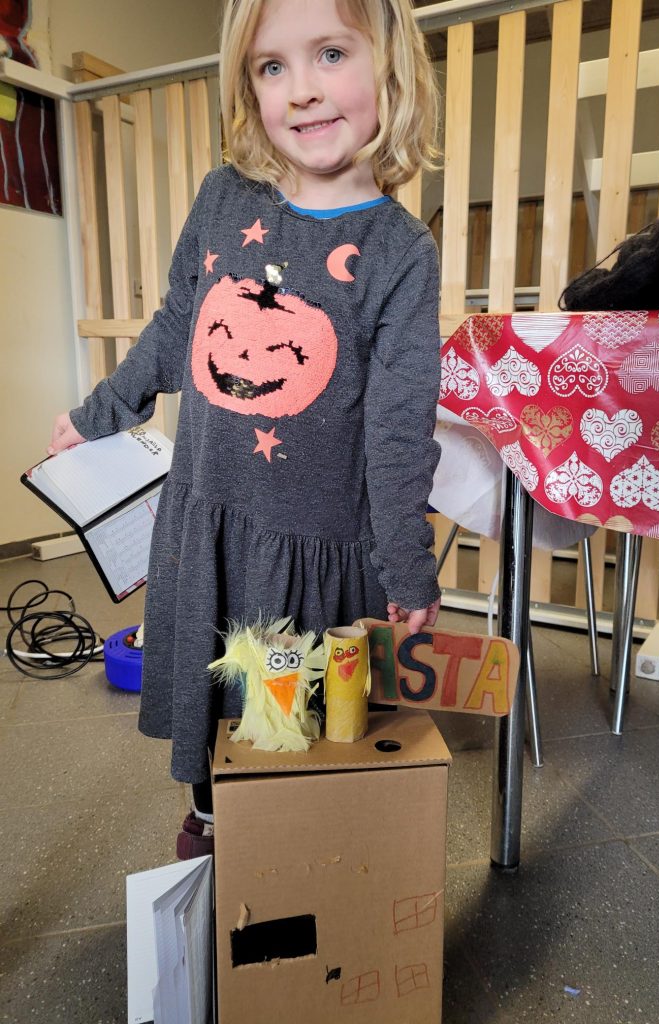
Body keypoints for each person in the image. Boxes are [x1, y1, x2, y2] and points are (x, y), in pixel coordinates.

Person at [48, 0, 443, 856]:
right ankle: (208, 822)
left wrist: (407, 568)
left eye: (330, 54)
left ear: (391, 67)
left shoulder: (401, 251)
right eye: (272, 66)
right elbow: (177, 325)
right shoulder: (223, 197)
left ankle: (282, 859)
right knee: (212, 721)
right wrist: (97, 413)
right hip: (212, 524)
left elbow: (400, 431)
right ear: (248, 86)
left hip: (314, 545)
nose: (301, 89)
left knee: (287, 737)